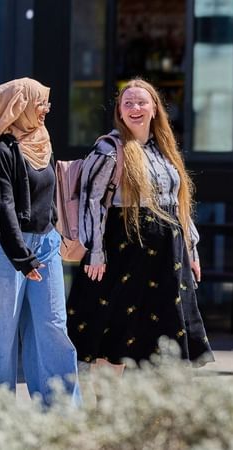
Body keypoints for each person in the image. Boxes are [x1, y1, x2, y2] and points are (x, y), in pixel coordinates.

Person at [66, 78, 214, 372]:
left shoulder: (165, 150)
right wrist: (96, 251)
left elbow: (180, 204)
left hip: (166, 257)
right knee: (114, 333)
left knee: (162, 337)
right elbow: (92, 201)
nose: (135, 108)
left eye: (141, 102)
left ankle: (148, 410)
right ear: (119, 111)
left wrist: (192, 250)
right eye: (128, 103)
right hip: (124, 252)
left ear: (155, 109)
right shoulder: (109, 149)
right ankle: (104, 410)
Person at [0, 78, 81, 404]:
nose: (45, 109)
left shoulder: (42, 142)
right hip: (6, 249)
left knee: (53, 328)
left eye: (46, 103)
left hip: (45, 246)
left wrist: (56, 231)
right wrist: (22, 256)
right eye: (40, 103)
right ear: (19, 105)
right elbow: (2, 207)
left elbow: (50, 195)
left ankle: (62, 411)